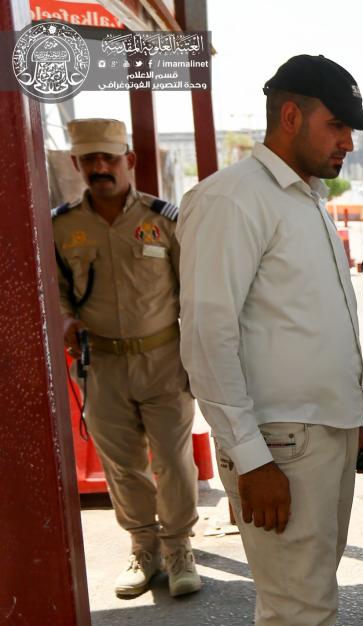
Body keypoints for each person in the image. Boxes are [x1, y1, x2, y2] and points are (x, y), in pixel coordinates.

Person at [178, 55, 363, 626]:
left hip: (315, 435)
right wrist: (251, 457)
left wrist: (349, 418)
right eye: (336, 124)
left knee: (310, 604)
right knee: (294, 614)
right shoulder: (234, 198)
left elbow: (309, 323)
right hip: (279, 447)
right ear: (290, 115)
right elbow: (207, 337)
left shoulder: (303, 197)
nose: (348, 140)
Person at [52, 118, 201, 599]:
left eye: (109, 158)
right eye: (90, 160)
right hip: (102, 365)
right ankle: (144, 549)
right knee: (122, 465)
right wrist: (64, 320)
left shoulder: (164, 220)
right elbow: (54, 294)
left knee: (175, 463)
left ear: (129, 161)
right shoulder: (61, 227)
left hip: (163, 359)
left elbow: (194, 291)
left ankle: (179, 549)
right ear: (77, 164)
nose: (100, 168)